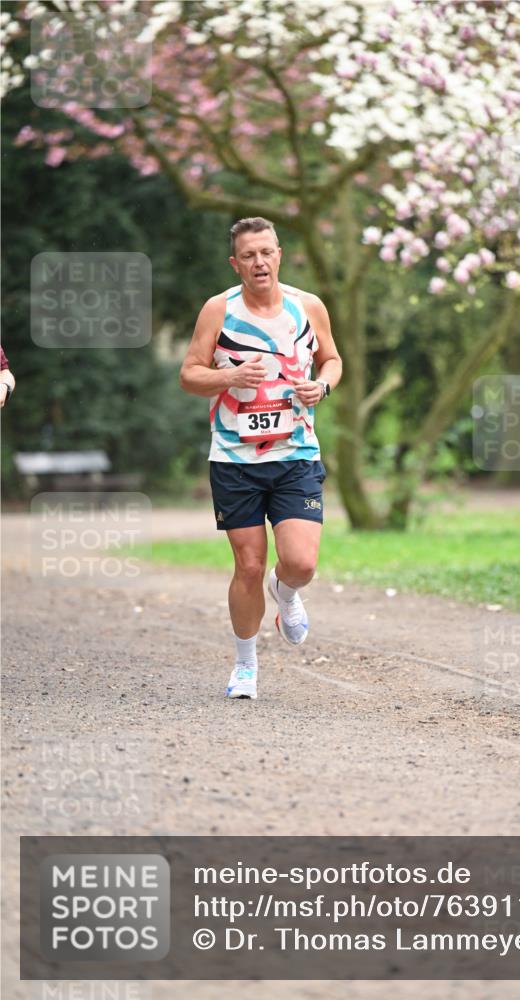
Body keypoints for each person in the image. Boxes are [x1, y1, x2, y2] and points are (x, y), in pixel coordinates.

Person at [180, 217, 342, 700]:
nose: (259, 262)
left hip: (296, 453)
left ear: (279, 254)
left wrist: (323, 385)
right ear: (236, 264)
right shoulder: (219, 310)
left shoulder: (308, 306)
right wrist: (228, 379)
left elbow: (332, 358)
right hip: (234, 458)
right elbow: (189, 374)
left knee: (301, 562)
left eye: (266, 252)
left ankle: (286, 591)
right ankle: (245, 666)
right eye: (248, 255)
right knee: (248, 566)